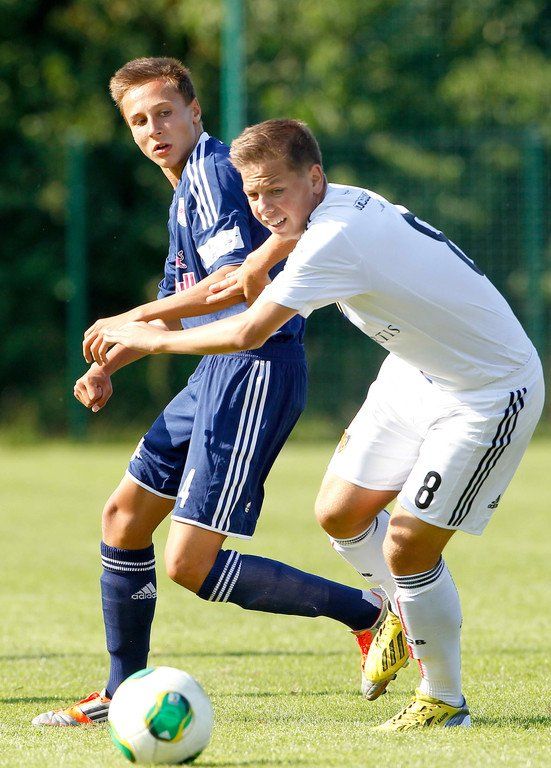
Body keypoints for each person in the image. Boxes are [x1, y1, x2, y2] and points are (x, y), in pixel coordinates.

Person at [100, 118, 545, 730]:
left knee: (408, 546)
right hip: (417, 371)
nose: (263, 207)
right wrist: (261, 253)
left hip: (489, 390)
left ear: (314, 178)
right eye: (253, 194)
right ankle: (397, 613)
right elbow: (263, 258)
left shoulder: (333, 239)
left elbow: (248, 331)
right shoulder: (331, 206)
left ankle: (444, 699)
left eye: (276, 191)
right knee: (339, 513)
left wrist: (146, 338)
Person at [32, 67, 386, 727]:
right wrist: (113, 362)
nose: (154, 129)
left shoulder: (215, 174)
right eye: (139, 120)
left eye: (165, 112)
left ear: (195, 112)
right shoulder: (183, 196)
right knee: (123, 519)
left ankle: (369, 614)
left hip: (253, 369)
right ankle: (121, 691)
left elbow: (231, 283)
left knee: (190, 566)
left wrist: (130, 320)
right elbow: (181, 307)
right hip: (214, 372)